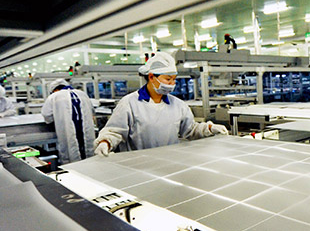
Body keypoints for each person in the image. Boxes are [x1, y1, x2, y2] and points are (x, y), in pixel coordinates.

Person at [94, 52, 228, 156]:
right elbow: (115, 131)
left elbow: (190, 130)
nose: (172, 83)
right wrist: (105, 142)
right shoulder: (129, 103)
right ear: (151, 77)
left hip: (169, 162)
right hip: (137, 166)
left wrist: (209, 128)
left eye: (174, 79)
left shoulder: (178, 105)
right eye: (168, 79)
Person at [41, 78, 95, 164]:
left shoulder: (54, 97)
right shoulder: (83, 94)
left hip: (67, 132)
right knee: (89, 155)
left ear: (54, 89)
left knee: (71, 156)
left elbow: (47, 116)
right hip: (86, 131)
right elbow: (92, 111)